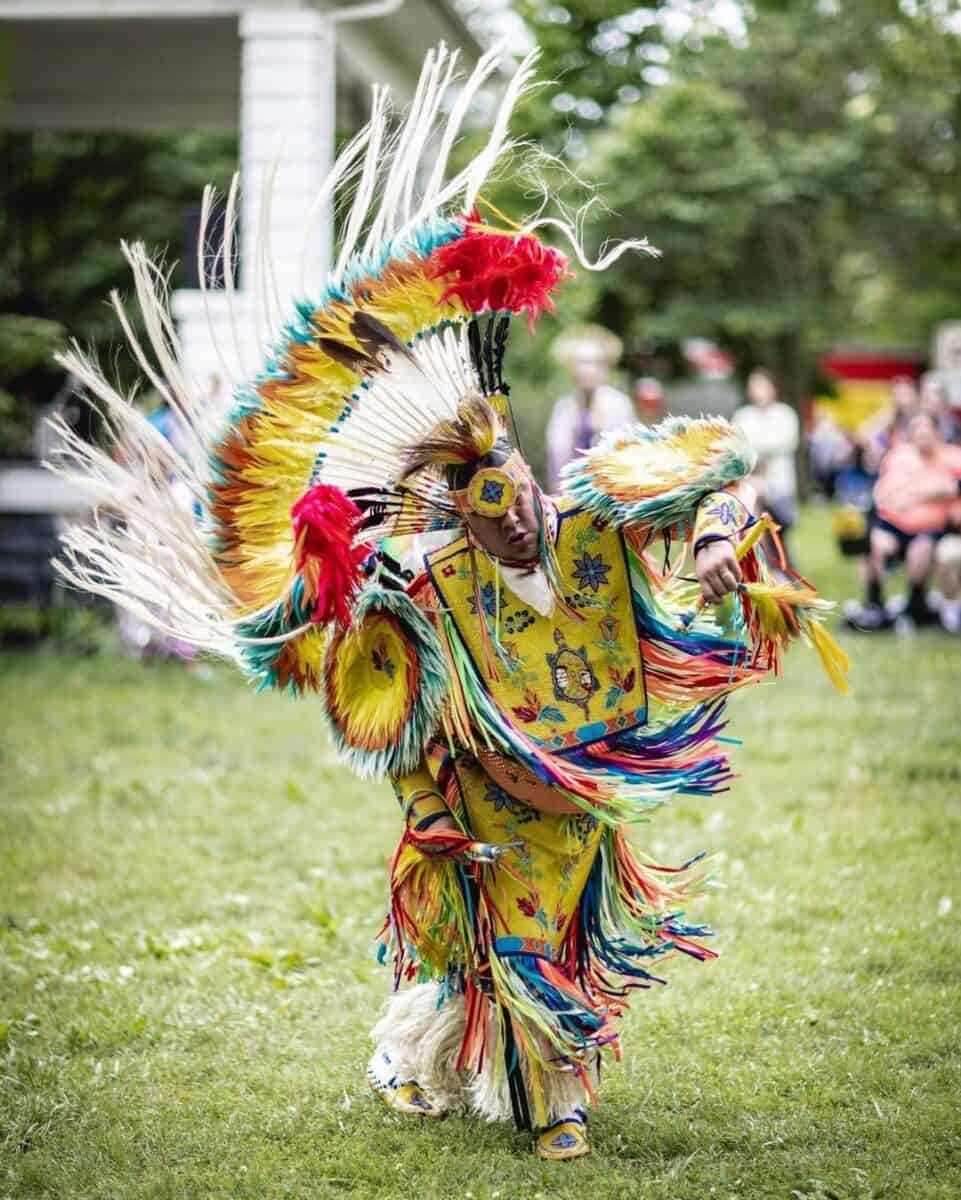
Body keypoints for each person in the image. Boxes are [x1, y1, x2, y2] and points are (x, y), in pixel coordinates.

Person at [50, 47, 849, 1162]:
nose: (509, 514)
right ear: (452, 513)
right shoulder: (427, 588)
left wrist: (721, 544)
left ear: (525, 464)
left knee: (532, 942)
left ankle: (454, 1051)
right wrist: (322, 585)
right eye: (481, 506)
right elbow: (315, 660)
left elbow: (711, 464)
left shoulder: (598, 512)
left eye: (512, 486)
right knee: (491, 943)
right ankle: (545, 1092)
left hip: (590, 780)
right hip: (493, 794)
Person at [848, 411, 961, 632]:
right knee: (875, 545)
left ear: (937, 434)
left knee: (921, 550)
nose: (923, 438)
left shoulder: (952, 456)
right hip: (895, 524)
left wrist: (919, 494)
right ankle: (874, 603)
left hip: (930, 528)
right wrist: (931, 491)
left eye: (927, 433)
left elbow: (952, 487)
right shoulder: (898, 456)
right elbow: (887, 494)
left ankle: (915, 605)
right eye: (918, 433)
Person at [545, 325, 636, 491]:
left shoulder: (620, 405)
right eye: (581, 363)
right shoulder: (564, 408)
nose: (587, 370)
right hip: (571, 493)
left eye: (596, 363)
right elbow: (556, 460)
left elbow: (630, 453)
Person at [732, 368, 800, 557]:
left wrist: (754, 448)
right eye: (753, 385)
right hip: (751, 486)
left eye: (762, 385)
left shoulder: (785, 414)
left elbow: (784, 442)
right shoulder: (743, 416)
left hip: (779, 487)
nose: (757, 390)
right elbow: (736, 446)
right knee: (756, 532)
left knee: (780, 542)